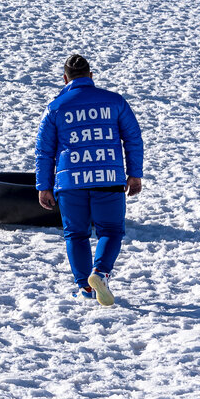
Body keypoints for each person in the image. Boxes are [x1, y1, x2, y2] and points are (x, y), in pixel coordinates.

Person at [35, 54, 144, 306]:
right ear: (91, 76)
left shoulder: (55, 107)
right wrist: (134, 173)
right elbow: (133, 138)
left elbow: (44, 151)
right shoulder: (115, 101)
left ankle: (85, 288)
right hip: (109, 178)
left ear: (65, 79)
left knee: (75, 235)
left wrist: (44, 186)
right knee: (111, 230)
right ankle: (101, 273)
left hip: (70, 181)